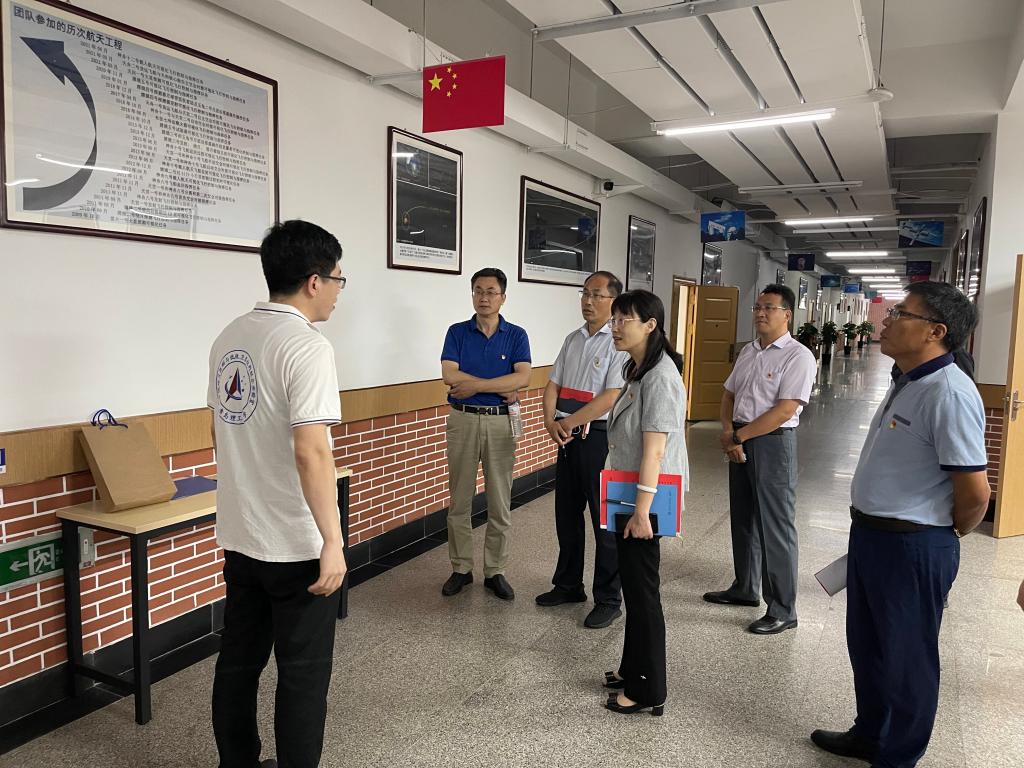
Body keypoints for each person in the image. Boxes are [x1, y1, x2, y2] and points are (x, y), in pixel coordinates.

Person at [811, 282, 990, 768]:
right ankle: (870, 734)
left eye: (900, 314)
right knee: (868, 646)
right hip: (872, 536)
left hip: (913, 544)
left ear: (936, 331)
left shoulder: (949, 393)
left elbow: (975, 495)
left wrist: (938, 533)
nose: (886, 322)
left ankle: (898, 757)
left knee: (907, 659)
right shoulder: (907, 379)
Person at [209, 220, 348, 768]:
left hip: (241, 532)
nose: (338, 292)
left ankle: (237, 762)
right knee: (303, 673)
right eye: (338, 280)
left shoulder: (229, 336)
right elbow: (312, 452)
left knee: (238, 662)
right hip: (295, 543)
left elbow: (219, 432)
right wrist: (332, 540)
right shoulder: (307, 347)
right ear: (314, 281)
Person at [704, 283, 816, 635]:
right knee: (743, 517)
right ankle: (745, 587)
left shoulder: (798, 356)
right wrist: (729, 432)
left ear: (787, 315)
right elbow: (728, 395)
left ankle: (783, 608)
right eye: (757, 307)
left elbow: (785, 410)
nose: (760, 313)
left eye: (769, 307)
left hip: (772, 443)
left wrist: (739, 437)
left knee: (775, 525)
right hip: (739, 437)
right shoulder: (749, 351)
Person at [601, 290, 688, 716]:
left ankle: (648, 689)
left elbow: (655, 451)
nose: (615, 327)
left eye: (625, 320)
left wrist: (640, 512)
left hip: (646, 498)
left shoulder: (660, 377)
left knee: (643, 593)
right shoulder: (638, 369)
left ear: (650, 324)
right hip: (630, 489)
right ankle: (631, 667)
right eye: (614, 319)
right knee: (634, 587)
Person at [536, 272, 629, 629]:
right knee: (567, 514)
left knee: (604, 520)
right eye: (585, 293)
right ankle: (568, 585)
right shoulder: (573, 339)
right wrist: (550, 421)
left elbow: (611, 396)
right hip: (566, 438)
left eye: (597, 295)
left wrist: (569, 422)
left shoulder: (618, 341)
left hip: (599, 439)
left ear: (613, 301)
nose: (588, 301)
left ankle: (608, 599)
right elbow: (553, 385)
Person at [440, 268, 532, 600]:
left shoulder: (516, 335)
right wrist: (498, 386)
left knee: (499, 501)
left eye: (491, 292)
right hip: (463, 421)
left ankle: (495, 571)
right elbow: (449, 374)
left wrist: (475, 386)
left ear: (503, 297)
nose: (484, 297)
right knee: (459, 500)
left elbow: (522, 378)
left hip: (500, 423)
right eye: (478, 291)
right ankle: (461, 568)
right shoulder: (457, 332)